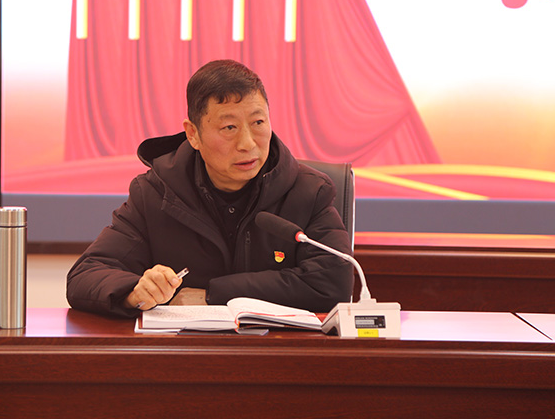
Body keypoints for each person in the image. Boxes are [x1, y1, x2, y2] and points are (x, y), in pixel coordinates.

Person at [66, 59, 353, 317]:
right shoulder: (157, 193)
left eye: (258, 122)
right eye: (229, 128)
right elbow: (85, 276)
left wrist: (213, 295)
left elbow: (333, 283)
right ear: (193, 134)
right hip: (188, 354)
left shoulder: (308, 191)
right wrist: (134, 292)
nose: (247, 143)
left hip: (276, 352)